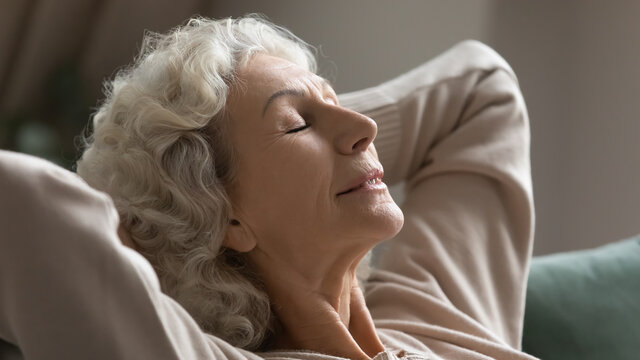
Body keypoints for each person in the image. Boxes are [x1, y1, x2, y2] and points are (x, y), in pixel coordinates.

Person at [0, 15, 536, 360]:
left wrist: (320, 128)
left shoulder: (434, 321)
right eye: (297, 124)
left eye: (340, 103)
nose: (364, 128)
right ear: (227, 216)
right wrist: (162, 205)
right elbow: (23, 206)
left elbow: (480, 89)